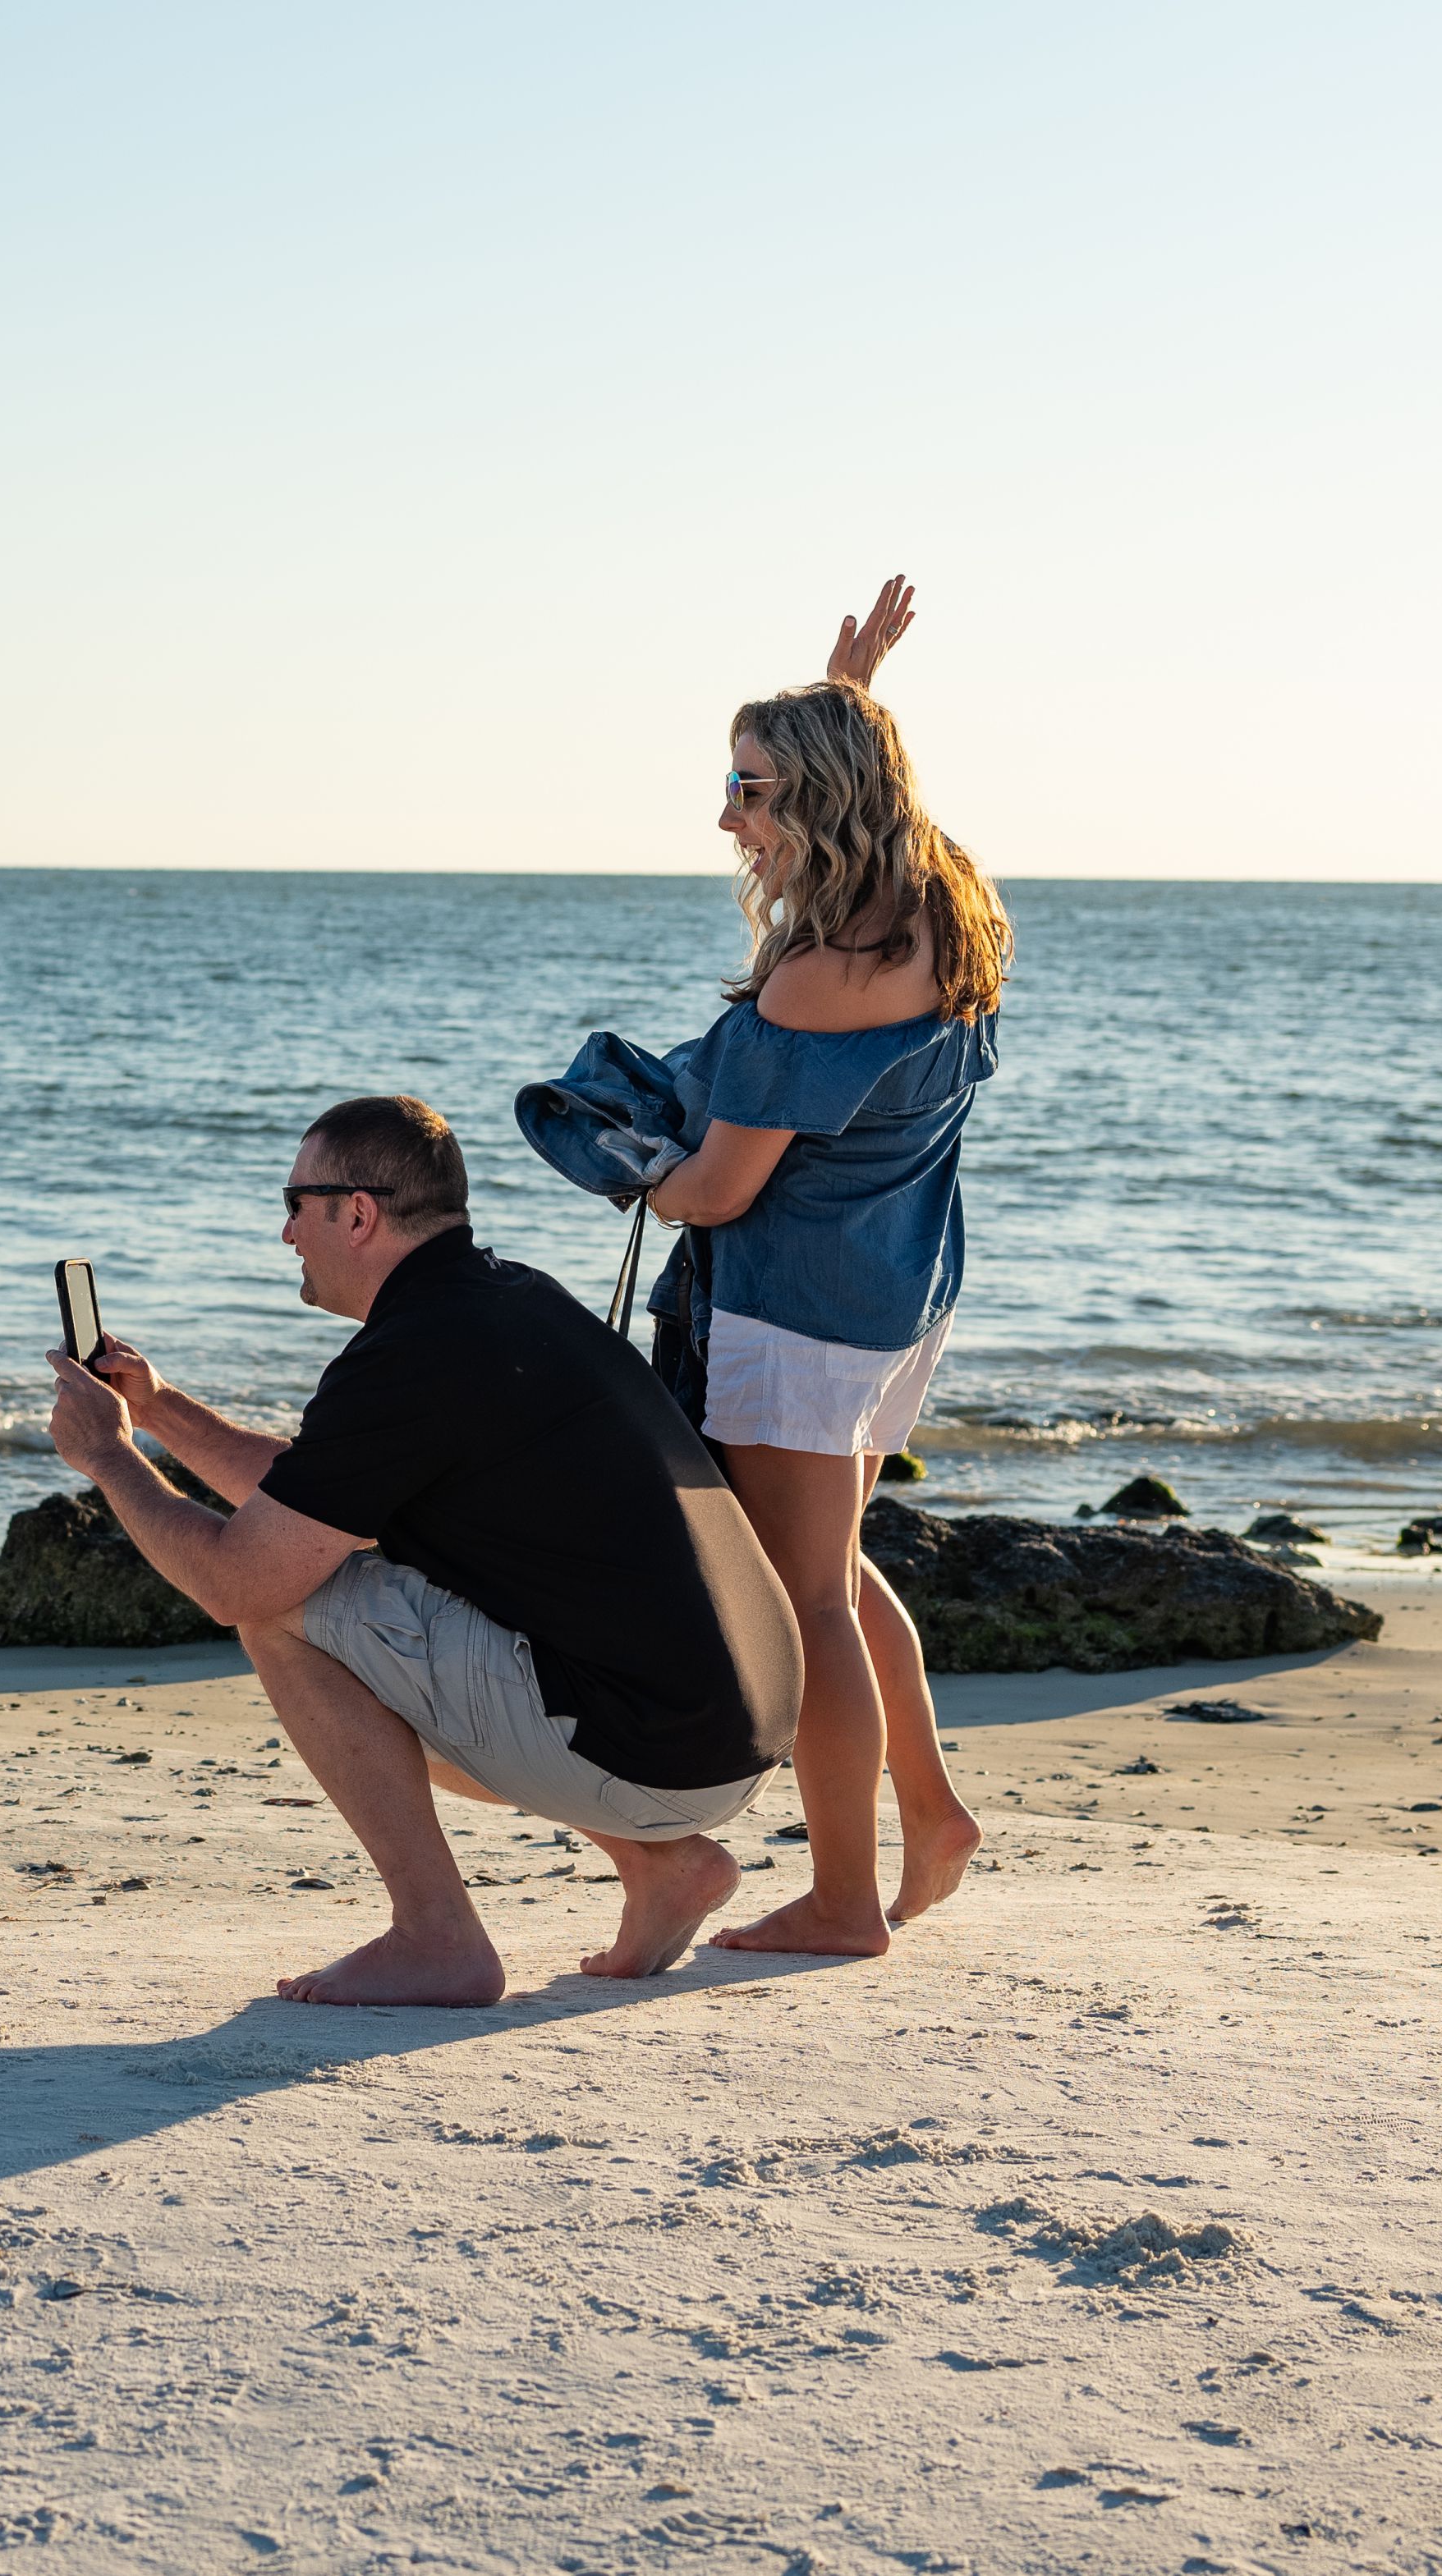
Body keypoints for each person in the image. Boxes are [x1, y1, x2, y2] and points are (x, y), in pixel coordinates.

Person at [42, 1097, 805, 2006]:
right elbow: (314, 1492)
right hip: (736, 1728)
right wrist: (158, 1407)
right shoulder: (505, 1297)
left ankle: (436, 1937)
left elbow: (236, 1579)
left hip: (658, 1748)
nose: (286, 1232)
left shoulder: (413, 1352)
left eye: (295, 1203)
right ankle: (663, 1865)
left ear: (357, 1212)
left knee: (280, 1610)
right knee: (328, 1570)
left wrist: (107, 1456)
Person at [635, 610, 1008, 1958]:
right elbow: (881, 800)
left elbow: (720, 1190)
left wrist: (637, 1174)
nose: (727, 816)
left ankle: (845, 1898)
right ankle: (931, 1810)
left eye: (751, 789)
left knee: (805, 1603)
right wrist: (849, 693)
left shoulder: (815, 973)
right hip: (894, 1286)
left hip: (795, 1310)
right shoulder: (948, 901)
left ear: (819, 797)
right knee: (833, 1570)